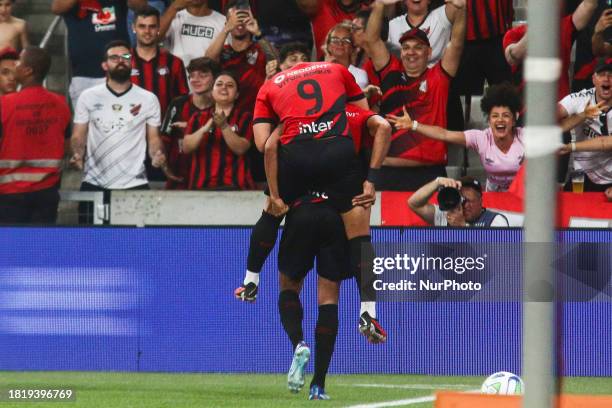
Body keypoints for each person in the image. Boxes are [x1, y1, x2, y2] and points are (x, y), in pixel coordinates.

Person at [277, 193, 385, 402]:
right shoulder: (350, 165)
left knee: (288, 287)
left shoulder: (294, 160)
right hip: (336, 217)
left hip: (302, 212)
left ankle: (299, 343)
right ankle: (318, 385)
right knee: (328, 297)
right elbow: (363, 238)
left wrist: (251, 273)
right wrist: (368, 308)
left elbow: (275, 201)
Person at [361, 0, 466, 190]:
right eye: (406, 47)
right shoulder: (390, 71)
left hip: (430, 174)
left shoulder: (439, 78)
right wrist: (379, 6)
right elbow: (371, 40)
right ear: (400, 52)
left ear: (429, 52)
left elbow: (457, 43)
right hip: (387, 173)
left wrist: (462, 9)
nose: (411, 52)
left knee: (436, 220)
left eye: (418, 47)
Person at [70, 40, 172, 223]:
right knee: (91, 245)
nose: (120, 61)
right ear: (104, 64)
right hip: (95, 183)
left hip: (135, 184)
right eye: (114, 57)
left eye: (125, 56)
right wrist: (77, 153)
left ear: (131, 62)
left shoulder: (148, 99)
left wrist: (157, 154)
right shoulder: (88, 97)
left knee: (135, 246)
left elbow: (154, 138)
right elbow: (78, 135)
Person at [387, 83, 524, 192]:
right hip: (495, 196)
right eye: (495, 116)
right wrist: (414, 125)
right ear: (488, 120)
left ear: (514, 119)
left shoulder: (526, 137)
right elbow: (445, 134)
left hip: (523, 196)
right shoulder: (481, 138)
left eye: (506, 115)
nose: (500, 120)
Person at [0, 47, 71, 224]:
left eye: (18, 62)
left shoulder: (5, 104)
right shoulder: (61, 104)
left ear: (27, 70)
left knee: (12, 249)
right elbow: (67, 145)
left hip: (10, 194)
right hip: (47, 193)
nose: (15, 65)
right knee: (40, 248)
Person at [130, 5, 190, 184]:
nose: (147, 31)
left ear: (158, 29)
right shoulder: (124, 61)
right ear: (133, 28)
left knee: (162, 189)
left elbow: (181, 102)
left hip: (165, 141)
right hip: (130, 140)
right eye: (142, 26)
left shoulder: (174, 63)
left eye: (152, 26)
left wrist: (170, 134)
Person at [52, 0, 147, 109]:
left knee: (121, 122)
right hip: (84, 76)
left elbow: (141, 6)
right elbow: (57, 8)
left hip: (119, 74)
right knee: (86, 124)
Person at [503, 0, 597, 100]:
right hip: (526, 106)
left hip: (559, 105)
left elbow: (589, 5)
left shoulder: (563, 26)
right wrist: (538, 28)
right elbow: (512, 57)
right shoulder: (513, 34)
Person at [182, 71, 254, 189]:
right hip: (201, 186)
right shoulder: (197, 117)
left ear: (236, 94)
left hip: (235, 187)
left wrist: (224, 127)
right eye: (219, 84)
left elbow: (241, 148)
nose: (224, 87)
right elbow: (186, 147)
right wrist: (205, 128)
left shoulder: (246, 117)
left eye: (230, 85)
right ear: (212, 92)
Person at [161, 56, 220, 189]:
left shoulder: (222, 107)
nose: (195, 80)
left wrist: (190, 127)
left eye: (202, 75)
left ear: (215, 78)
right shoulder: (178, 104)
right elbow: (165, 138)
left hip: (212, 181)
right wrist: (164, 166)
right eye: (191, 76)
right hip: (179, 180)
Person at [558, 57, 612, 192]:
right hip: (582, 175)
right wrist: (582, 116)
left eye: (611, 75)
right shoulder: (581, 98)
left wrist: (571, 147)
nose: (606, 79)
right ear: (594, 79)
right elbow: (546, 118)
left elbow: (607, 142)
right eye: (601, 74)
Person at [408, 176, 510, 227]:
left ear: (481, 201)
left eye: (469, 200)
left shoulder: (495, 220)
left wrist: (462, 227)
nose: (465, 205)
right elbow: (414, 203)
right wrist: (437, 182)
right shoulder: (447, 216)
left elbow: (495, 255)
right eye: (461, 200)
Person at [387, 0, 463, 65]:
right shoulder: (393, 25)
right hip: (403, 79)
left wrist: (461, 5)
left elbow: (458, 5)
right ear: (404, 1)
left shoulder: (441, 16)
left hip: (438, 77)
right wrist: (379, 6)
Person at [159, 0, 226, 67]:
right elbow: (155, 38)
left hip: (207, 74)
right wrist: (173, 8)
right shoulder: (173, 17)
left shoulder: (222, 21)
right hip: (178, 74)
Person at [295, 0, 369, 60]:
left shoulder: (370, 12)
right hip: (324, 67)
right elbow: (305, 3)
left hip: (357, 67)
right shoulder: (323, 4)